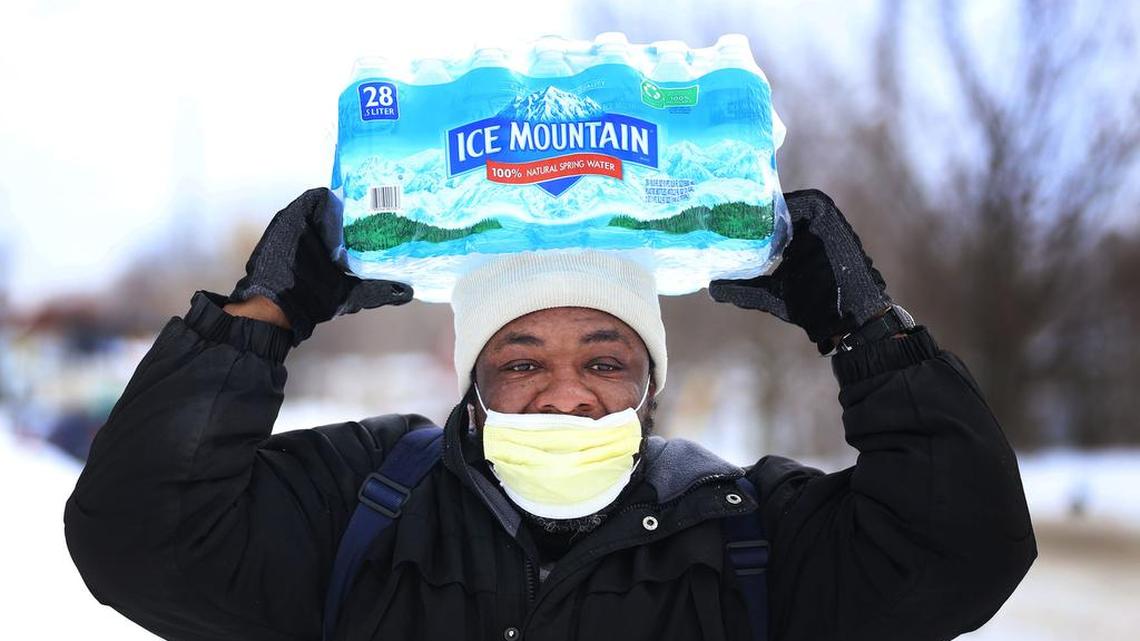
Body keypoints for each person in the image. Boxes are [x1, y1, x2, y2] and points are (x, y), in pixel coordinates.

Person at [64, 188, 1036, 641]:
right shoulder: (360, 502)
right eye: (520, 358)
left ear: (649, 380)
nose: (566, 392)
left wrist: (867, 334)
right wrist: (259, 322)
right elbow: (141, 539)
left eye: (605, 358)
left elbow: (960, 554)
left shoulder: (744, 527)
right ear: (472, 377)